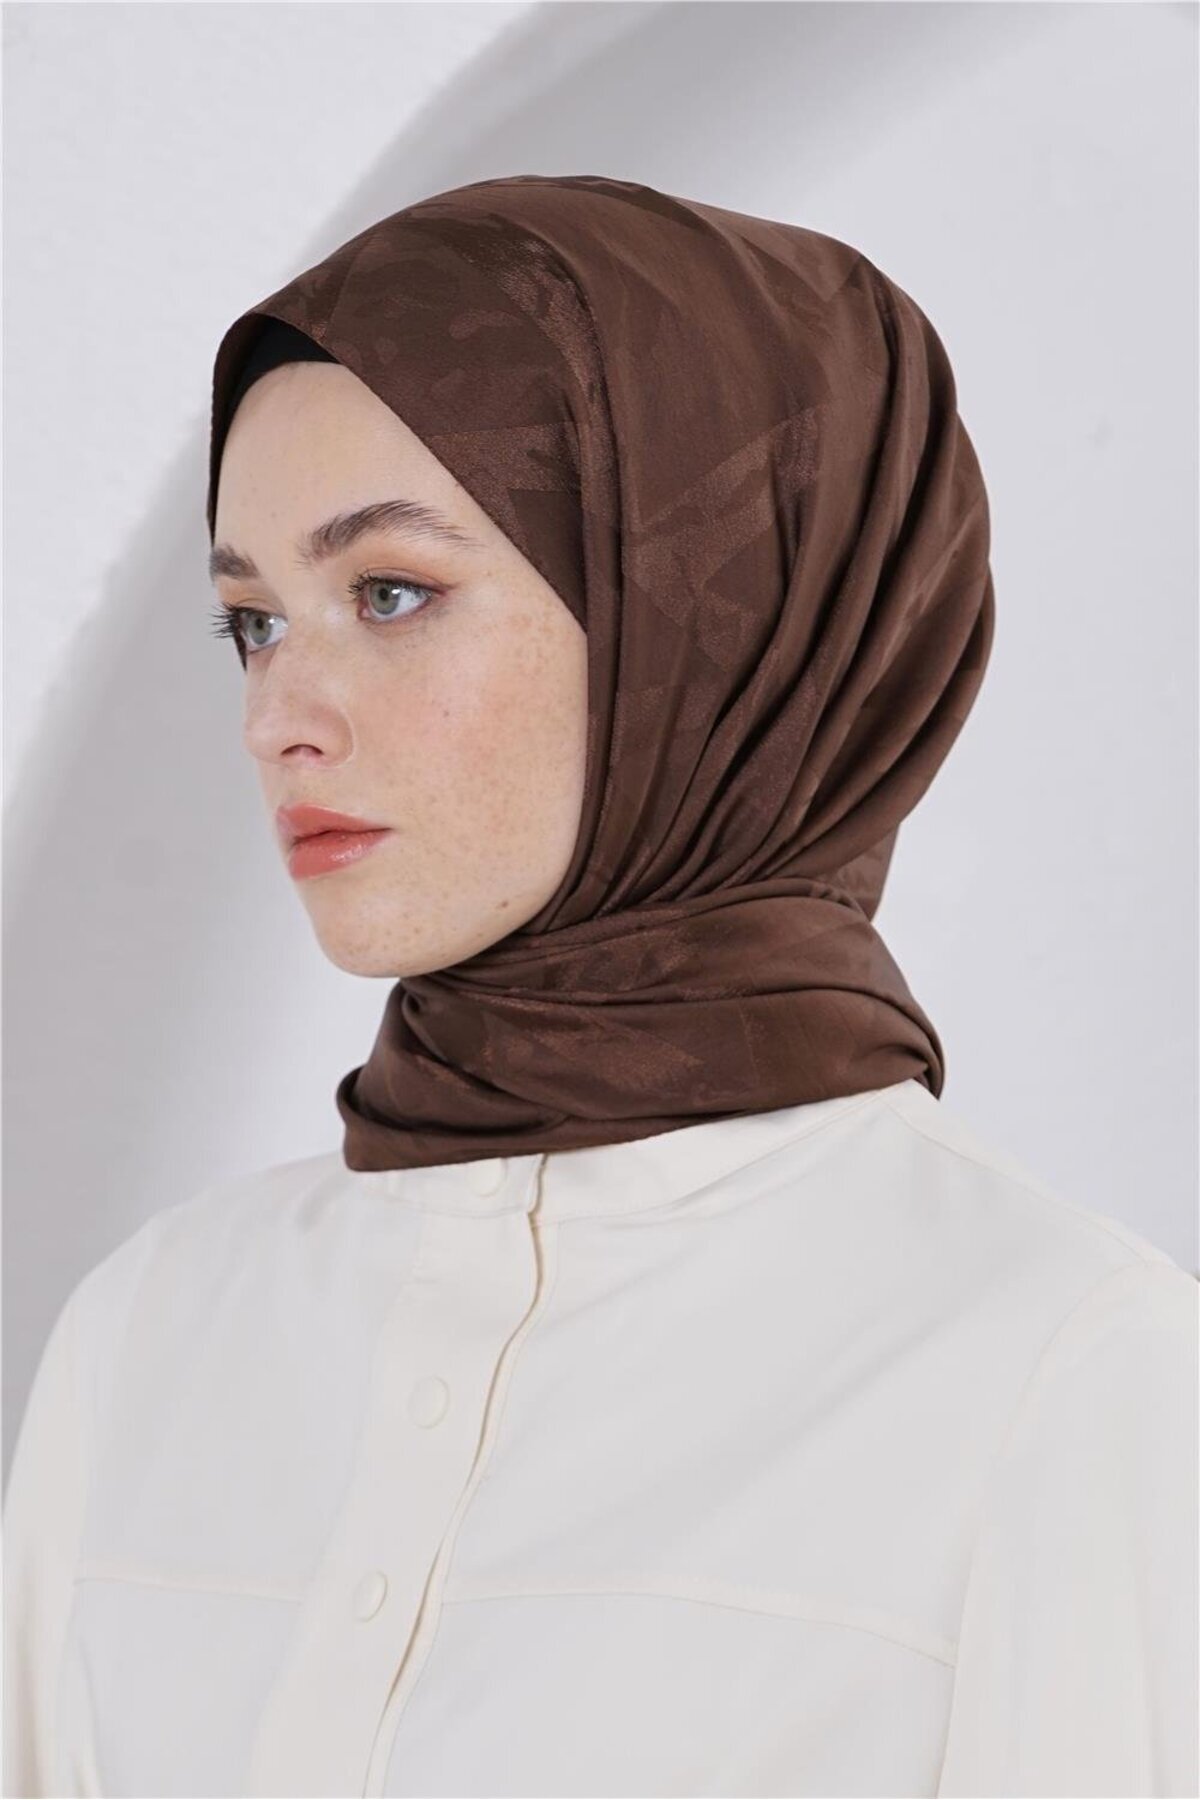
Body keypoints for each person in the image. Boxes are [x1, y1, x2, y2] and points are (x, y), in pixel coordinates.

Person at [4, 174, 1196, 1799]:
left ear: (721, 612)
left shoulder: (1063, 1375)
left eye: (391, 594)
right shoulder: (149, 1339)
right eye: (253, 623)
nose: (278, 716)